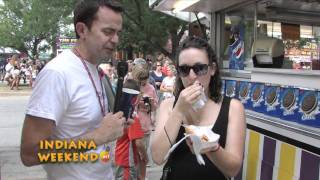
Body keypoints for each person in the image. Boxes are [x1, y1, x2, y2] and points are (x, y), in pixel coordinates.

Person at [20, 1, 128, 179]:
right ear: (82, 30)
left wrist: (115, 126)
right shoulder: (57, 74)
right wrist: (97, 136)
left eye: (118, 33)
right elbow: (30, 153)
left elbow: (90, 126)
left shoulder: (96, 69)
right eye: (108, 32)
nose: (115, 39)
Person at [151, 37, 246, 179]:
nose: (192, 76)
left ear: (212, 69)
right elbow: (157, 157)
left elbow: (233, 169)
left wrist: (213, 148)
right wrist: (179, 110)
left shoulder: (233, 108)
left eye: (199, 68)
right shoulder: (168, 106)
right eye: (184, 69)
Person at [132, 64, 158, 180]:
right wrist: (138, 100)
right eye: (141, 80)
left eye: (145, 80)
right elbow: (128, 107)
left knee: (143, 156)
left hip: (145, 126)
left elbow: (155, 107)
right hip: (133, 126)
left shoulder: (151, 88)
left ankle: (142, 177)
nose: (143, 83)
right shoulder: (131, 87)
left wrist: (151, 103)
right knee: (133, 156)